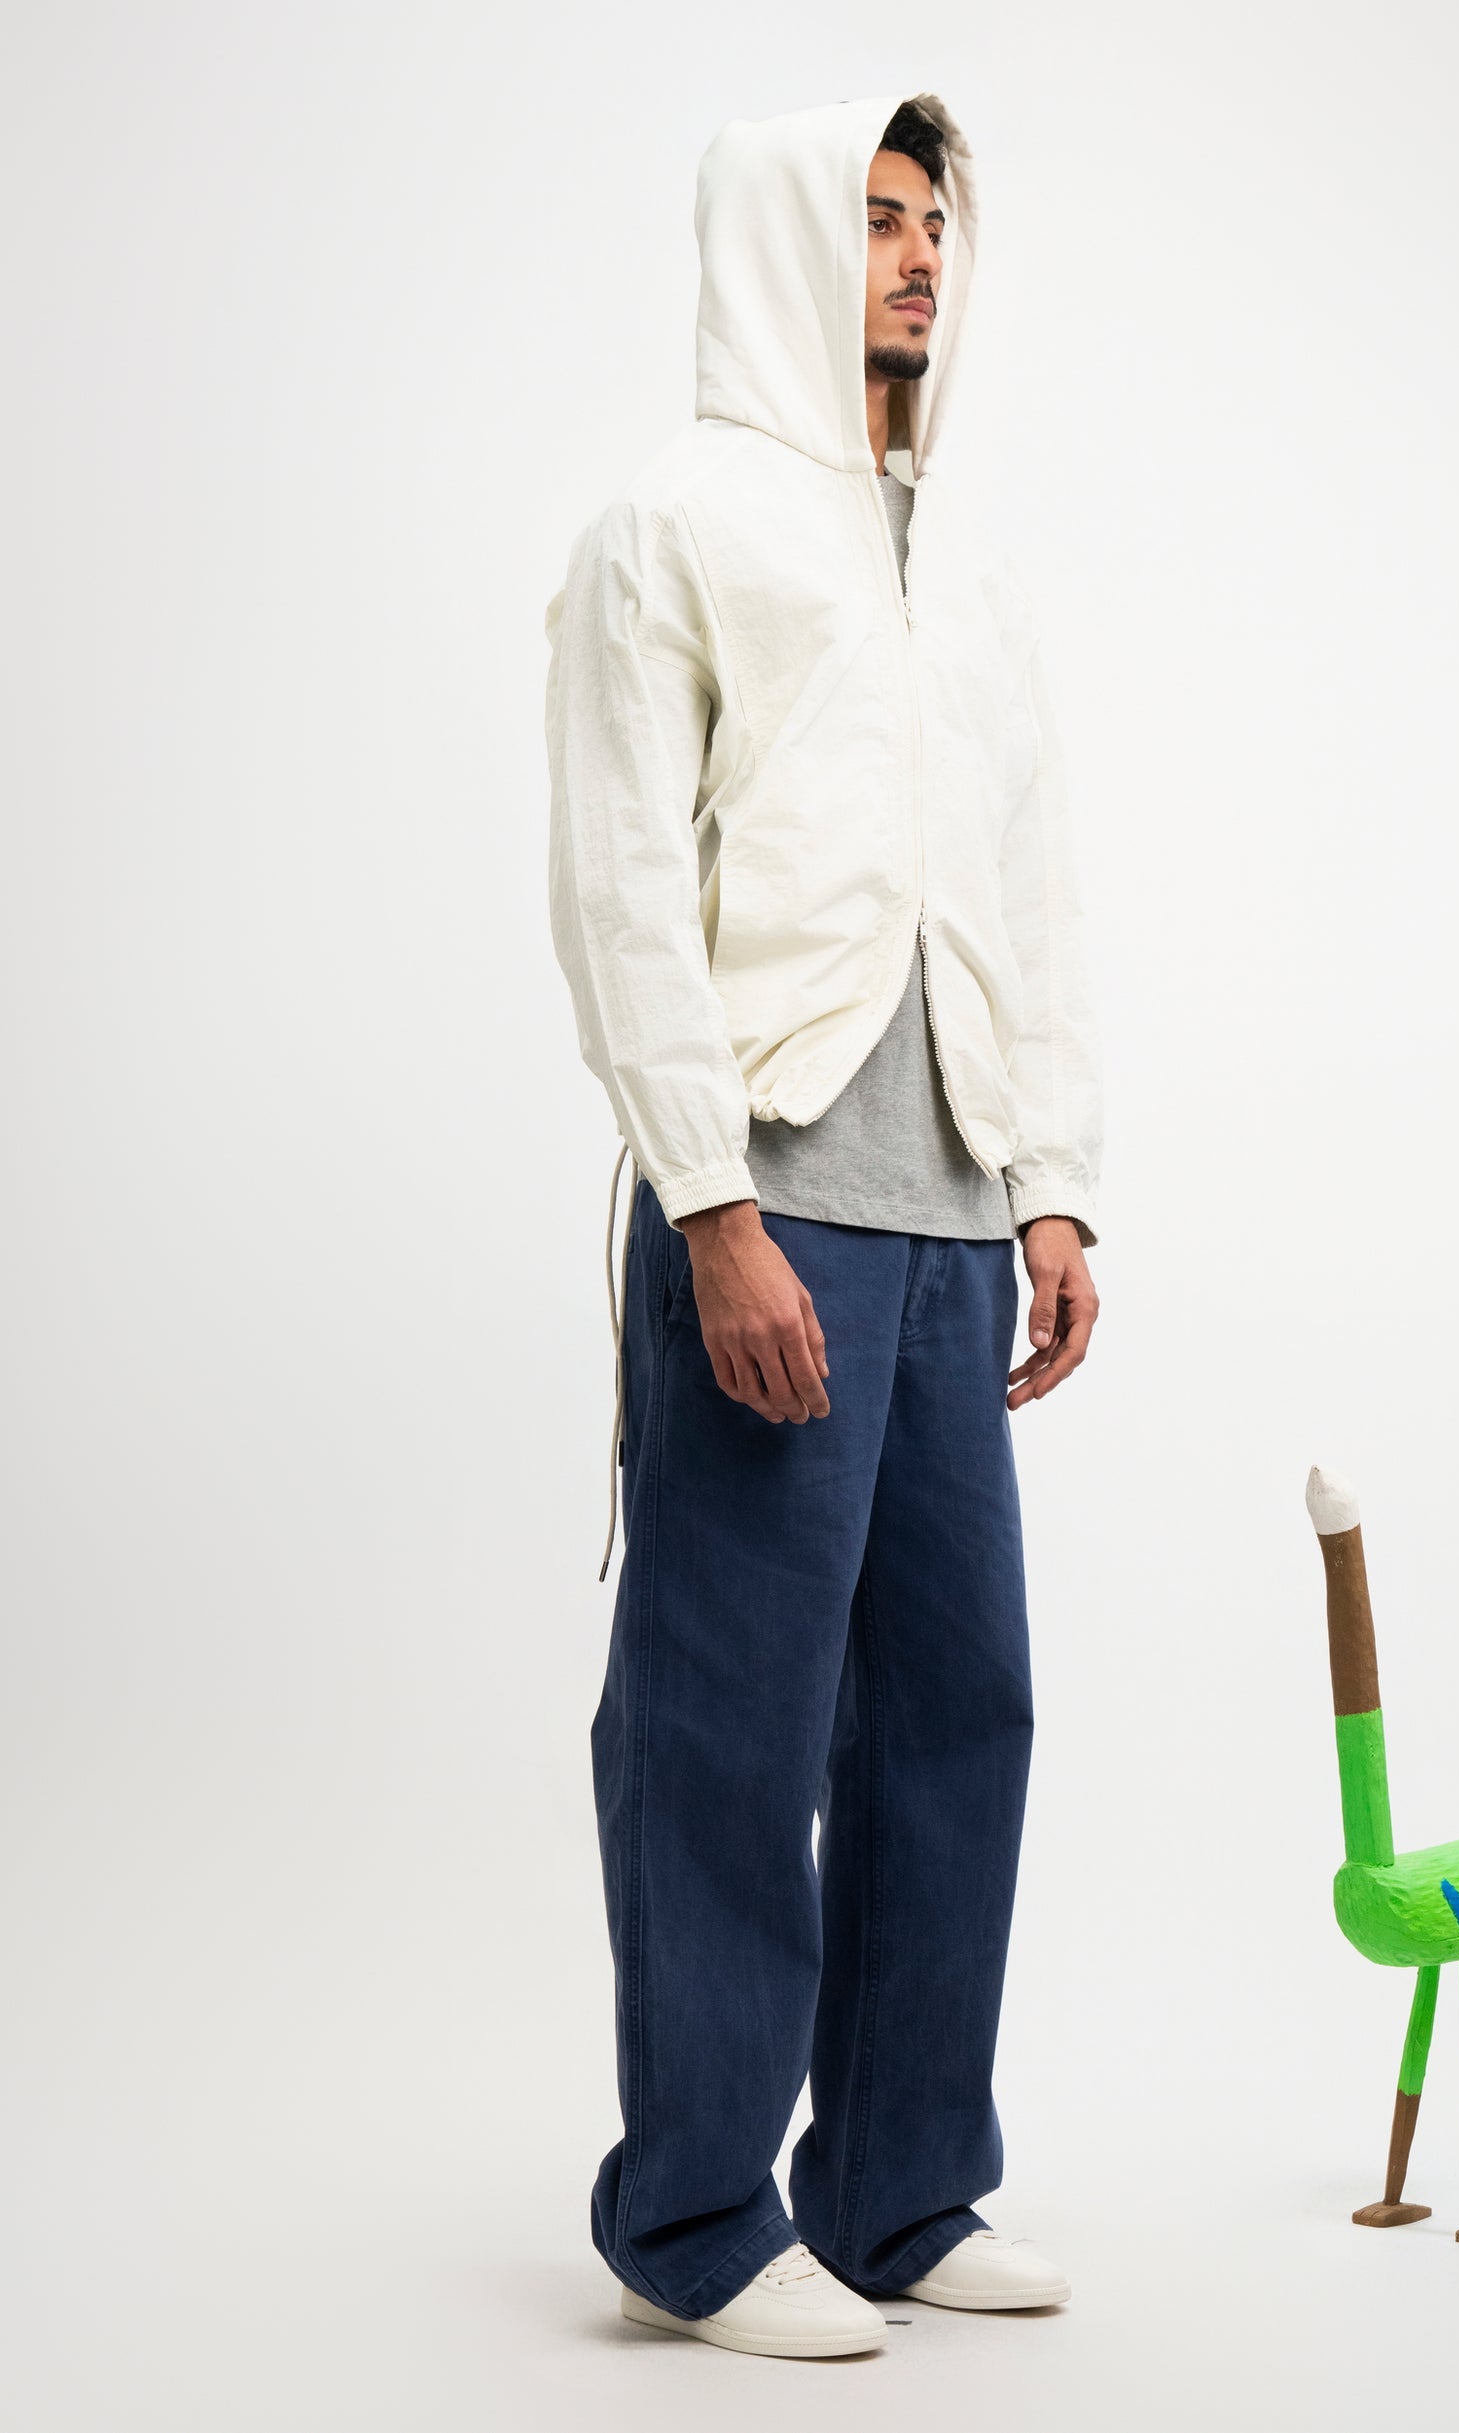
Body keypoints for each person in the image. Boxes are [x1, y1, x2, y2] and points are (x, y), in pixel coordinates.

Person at [545, 90, 1103, 2362]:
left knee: (962, 1709)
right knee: (726, 1720)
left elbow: (1027, 888)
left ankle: (895, 2181)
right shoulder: (669, 527)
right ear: (786, 236)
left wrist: (1050, 1185)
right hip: (769, 1211)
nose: (917, 256)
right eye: (874, 219)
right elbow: (616, 888)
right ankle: (694, 2210)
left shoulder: (959, 565)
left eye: (933, 220)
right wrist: (709, 1206)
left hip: (953, 1224)